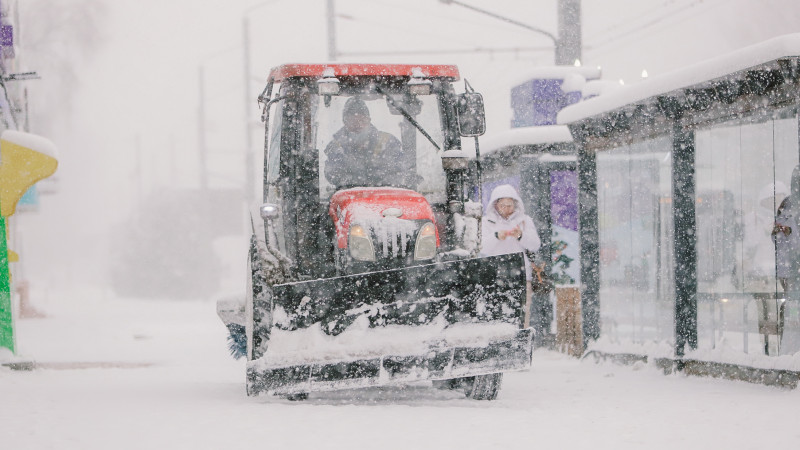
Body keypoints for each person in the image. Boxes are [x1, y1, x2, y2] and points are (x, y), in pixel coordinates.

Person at [481, 184, 542, 330]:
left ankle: (521, 341)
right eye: (503, 205)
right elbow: (482, 248)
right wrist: (496, 236)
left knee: (521, 315)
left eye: (510, 205)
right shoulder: (486, 222)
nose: (507, 209)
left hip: (521, 275)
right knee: (495, 315)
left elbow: (535, 244)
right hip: (494, 276)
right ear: (495, 205)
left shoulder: (525, 221)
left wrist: (521, 235)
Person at [324, 97, 414, 189]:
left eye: (361, 120)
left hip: (384, 196)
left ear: (369, 120)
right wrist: (355, 182)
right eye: (352, 121)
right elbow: (332, 174)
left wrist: (376, 180)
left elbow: (399, 170)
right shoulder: (336, 146)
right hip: (348, 196)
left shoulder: (387, 142)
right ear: (345, 122)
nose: (358, 125)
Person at [772, 166, 800, 355]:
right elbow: (779, 240)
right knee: (793, 309)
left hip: (792, 266)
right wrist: (780, 233)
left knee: (793, 306)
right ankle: (790, 349)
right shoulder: (787, 204)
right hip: (791, 269)